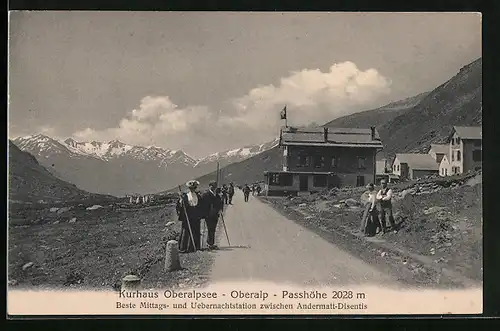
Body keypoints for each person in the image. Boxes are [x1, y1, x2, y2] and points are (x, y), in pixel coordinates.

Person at [176, 180, 202, 253]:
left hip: (196, 215)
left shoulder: (198, 195)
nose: (192, 189)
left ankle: (194, 247)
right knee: (186, 231)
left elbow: (200, 205)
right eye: (191, 188)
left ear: (195, 188)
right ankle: (183, 248)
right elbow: (180, 206)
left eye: (194, 187)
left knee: (196, 231)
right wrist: (181, 201)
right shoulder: (185, 196)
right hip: (188, 215)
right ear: (189, 188)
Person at [201, 181, 224, 250]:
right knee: (210, 228)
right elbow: (203, 205)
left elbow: (220, 203)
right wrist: (204, 214)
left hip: (215, 215)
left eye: (215, 186)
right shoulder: (206, 194)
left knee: (213, 229)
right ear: (209, 186)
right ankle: (209, 244)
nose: (214, 187)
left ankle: (211, 243)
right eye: (212, 185)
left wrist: (220, 209)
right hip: (208, 215)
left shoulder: (217, 195)